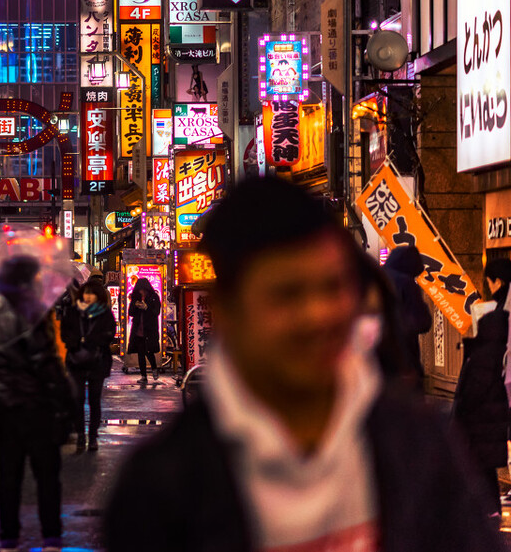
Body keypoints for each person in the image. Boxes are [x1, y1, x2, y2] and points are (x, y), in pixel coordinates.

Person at [102, 177, 500, 552]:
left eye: (332, 287)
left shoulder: (413, 441)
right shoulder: (164, 485)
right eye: (287, 295)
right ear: (225, 310)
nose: (317, 315)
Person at [0, 257, 74, 552]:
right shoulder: (32, 310)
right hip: (36, 404)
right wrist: (65, 398)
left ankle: (9, 537)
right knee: (46, 473)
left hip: (2, 403)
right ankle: (51, 537)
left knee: (9, 473)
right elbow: (44, 361)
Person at [452, 259, 511, 522]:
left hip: (484, 418)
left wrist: (461, 408)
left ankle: (488, 508)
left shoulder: (485, 353)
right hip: (494, 412)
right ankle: (491, 506)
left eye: (489, 281)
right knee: (485, 463)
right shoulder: (497, 343)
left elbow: (476, 387)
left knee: (481, 462)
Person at [59, 275, 116, 452]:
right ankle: (81, 435)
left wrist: (92, 341)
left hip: (97, 361)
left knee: (94, 400)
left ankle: (92, 437)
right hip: (75, 360)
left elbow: (110, 332)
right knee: (77, 400)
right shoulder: (73, 311)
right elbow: (65, 332)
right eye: (86, 293)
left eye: (92, 294)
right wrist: (75, 342)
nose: (88, 297)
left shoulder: (105, 312)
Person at [381, 244, 431, 383]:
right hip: (404, 358)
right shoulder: (405, 283)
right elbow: (421, 321)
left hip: (378, 362)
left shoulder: (376, 278)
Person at [126, 277, 160, 384]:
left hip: (149, 329)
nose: (141, 292)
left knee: (149, 352)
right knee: (141, 353)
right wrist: (136, 306)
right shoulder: (135, 297)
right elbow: (130, 312)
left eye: (143, 290)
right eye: (140, 290)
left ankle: (154, 368)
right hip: (138, 330)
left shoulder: (154, 297)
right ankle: (143, 376)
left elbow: (156, 312)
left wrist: (146, 308)